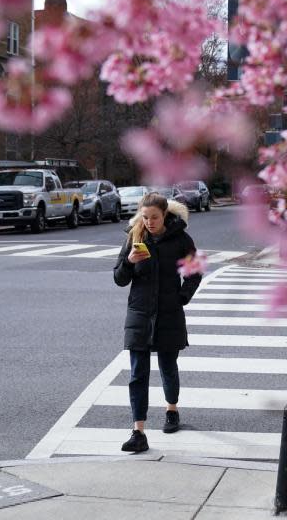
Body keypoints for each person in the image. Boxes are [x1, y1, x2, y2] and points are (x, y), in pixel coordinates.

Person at [113, 193, 202, 453]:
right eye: (145, 217)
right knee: (137, 374)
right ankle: (138, 431)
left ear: (165, 216)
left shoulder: (181, 240)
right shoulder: (134, 237)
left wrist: (182, 297)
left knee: (167, 365)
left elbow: (195, 271)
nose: (150, 222)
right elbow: (119, 278)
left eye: (155, 217)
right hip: (139, 314)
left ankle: (171, 409)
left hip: (169, 313)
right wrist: (129, 262)